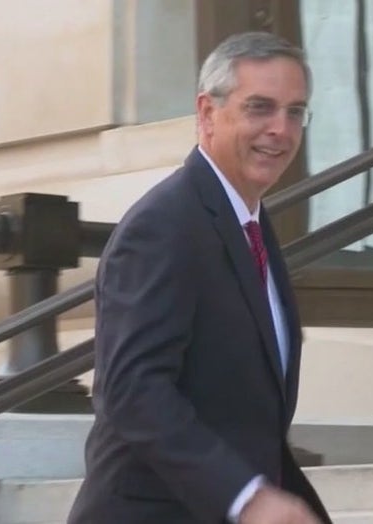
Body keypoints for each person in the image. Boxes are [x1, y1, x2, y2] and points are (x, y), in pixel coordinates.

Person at [67, 31, 331, 524]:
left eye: (295, 112)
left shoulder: (250, 225)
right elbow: (133, 392)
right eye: (260, 108)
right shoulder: (163, 225)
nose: (281, 129)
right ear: (208, 113)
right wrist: (244, 497)